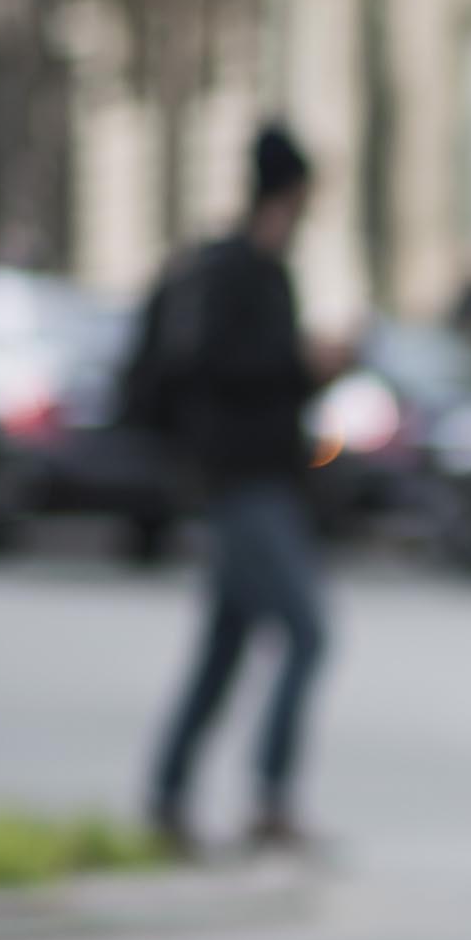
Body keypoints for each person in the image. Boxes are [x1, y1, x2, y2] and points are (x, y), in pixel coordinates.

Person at [145, 126, 348, 853]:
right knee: (308, 632)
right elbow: (206, 369)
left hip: (264, 483)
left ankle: (167, 797)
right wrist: (301, 363)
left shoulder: (267, 272)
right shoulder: (233, 272)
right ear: (289, 193)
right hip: (239, 485)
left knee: (223, 650)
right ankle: (268, 799)